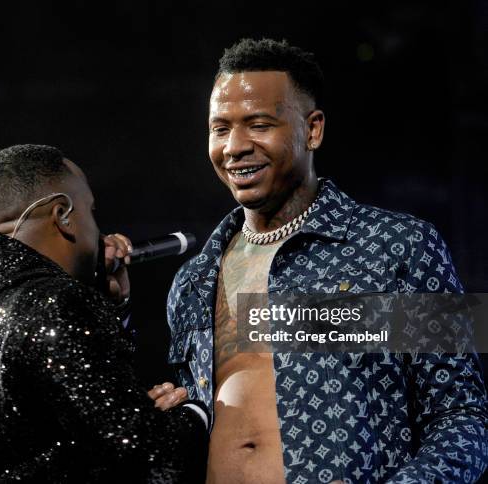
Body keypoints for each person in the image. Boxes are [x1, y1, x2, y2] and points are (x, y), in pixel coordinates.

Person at [166, 39, 488, 483]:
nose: (235, 146)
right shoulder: (193, 279)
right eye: (220, 128)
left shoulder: (398, 245)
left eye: (258, 124)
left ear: (312, 130)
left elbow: (462, 417)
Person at [0, 144, 209, 483]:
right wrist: (193, 414)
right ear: (63, 215)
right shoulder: (52, 302)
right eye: (91, 211)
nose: (98, 232)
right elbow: (150, 455)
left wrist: (112, 305)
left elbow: (48, 436)